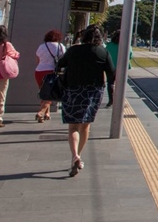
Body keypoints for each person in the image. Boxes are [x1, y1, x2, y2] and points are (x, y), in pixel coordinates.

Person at [55, 24, 115, 177]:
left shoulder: (73, 50)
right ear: (100, 38)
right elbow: (111, 74)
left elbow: (59, 66)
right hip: (93, 92)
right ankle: (79, 156)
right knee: (85, 125)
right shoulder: (103, 52)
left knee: (73, 126)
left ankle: (75, 155)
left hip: (72, 90)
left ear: (84, 36)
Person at [34, 29, 67, 122]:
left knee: (45, 92)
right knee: (49, 93)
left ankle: (47, 114)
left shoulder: (41, 46)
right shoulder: (61, 47)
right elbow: (64, 60)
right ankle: (41, 112)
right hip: (52, 72)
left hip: (39, 71)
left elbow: (37, 60)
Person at [104, 30, 130, 108]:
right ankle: (121, 100)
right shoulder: (126, 45)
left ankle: (111, 100)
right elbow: (130, 55)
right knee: (121, 84)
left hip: (110, 67)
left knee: (110, 83)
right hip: (122, 68)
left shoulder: (109, 45)